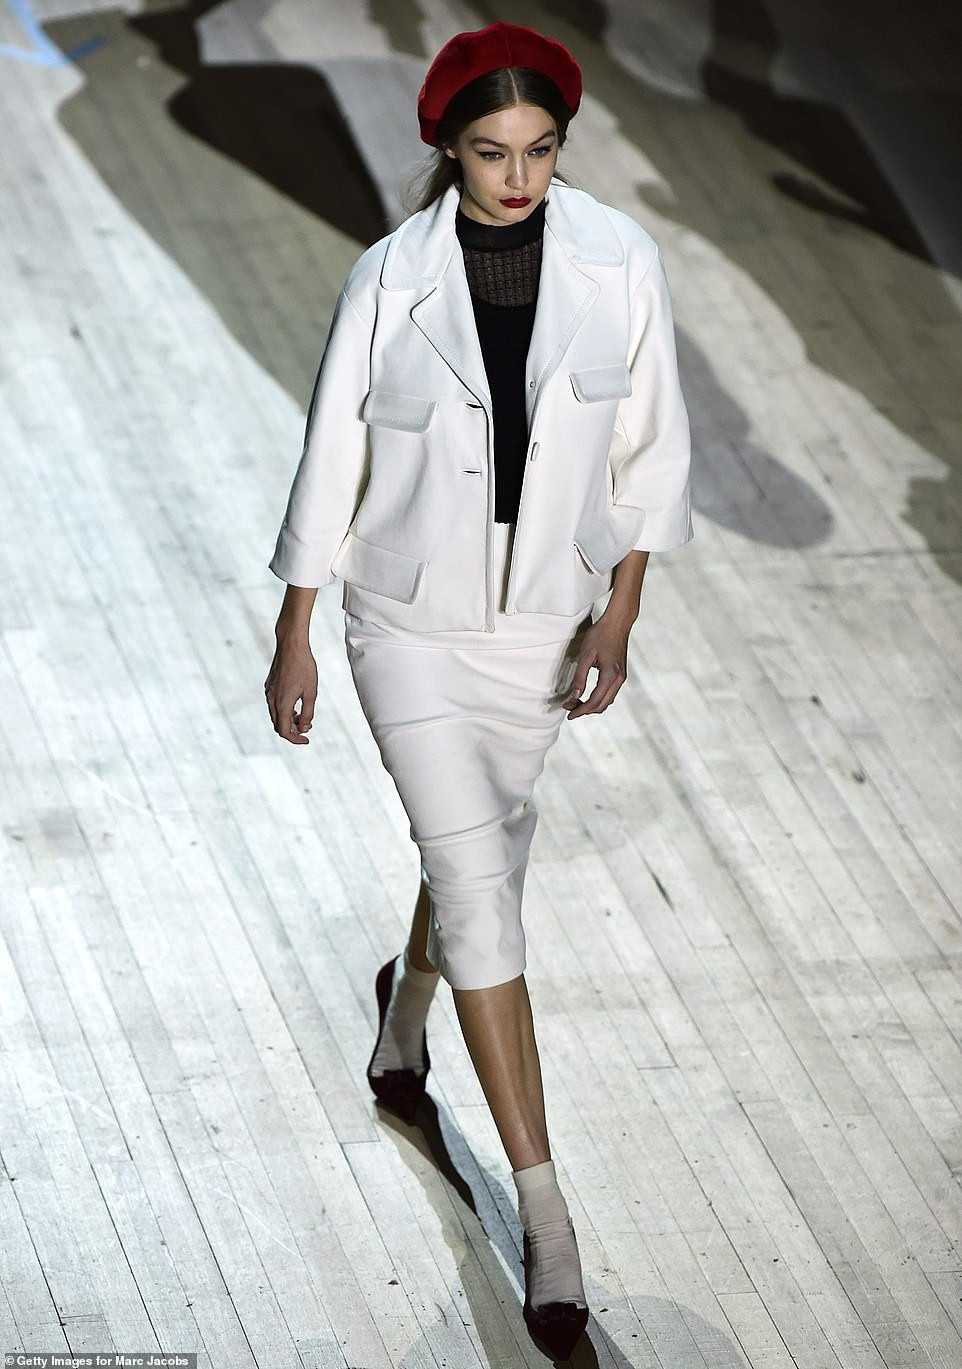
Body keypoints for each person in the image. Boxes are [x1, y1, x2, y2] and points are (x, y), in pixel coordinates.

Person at [264, 20, 692, 1361]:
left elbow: (647, 450)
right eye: (493, 152)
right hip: (406, 622)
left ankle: (404, 1019)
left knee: (478, 860)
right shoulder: (388, 279)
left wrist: (619, 611)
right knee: (483, 889)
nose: (519, 177)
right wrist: (296, 626)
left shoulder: (621, 260)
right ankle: (546, 1217)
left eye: (541, 150)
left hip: (543, 624)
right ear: (447, 148)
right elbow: (331, 453)